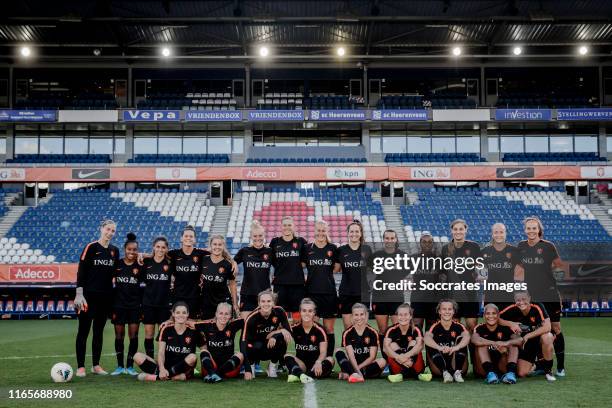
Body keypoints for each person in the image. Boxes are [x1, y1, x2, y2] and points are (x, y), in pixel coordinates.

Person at [516, 216, 566, 376]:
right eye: (528, 228)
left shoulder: (548, 246)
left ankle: (561, 367)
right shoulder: (521, 247)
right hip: (532, 296)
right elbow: (519, 269)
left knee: (555, 328)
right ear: (525, 230)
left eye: (534, 228)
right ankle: (541, 364)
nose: (531, 231)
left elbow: (559, 267)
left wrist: (557, 287)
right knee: (537, 329)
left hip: (549, 294)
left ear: (539, 230)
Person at [74, 219, 120, 377]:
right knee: (83, 332)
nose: (110, 233)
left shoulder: (115, 251)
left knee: (98, 332)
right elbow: (81, 271)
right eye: (108, 229)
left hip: (105, 298)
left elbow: (115, 273)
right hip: (88, 297)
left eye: (113, 231)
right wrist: (79, 294)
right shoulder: (91, 247)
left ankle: (96, 365)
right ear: (101, 229)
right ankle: (80, 367)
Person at [135, 302, 204, 381]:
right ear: (173, 314)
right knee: (137, 356)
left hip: (183, 368)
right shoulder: (166, 329)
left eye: (184, 313)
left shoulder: (194, 331)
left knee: (193, 357)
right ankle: (166, 375)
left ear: (188, 314)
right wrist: (162, 369)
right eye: (178, 313)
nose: (181, 315)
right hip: (166, 365)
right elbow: (161, 352)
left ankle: (156, 377)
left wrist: (206, 372)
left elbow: (204, 350)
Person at [301, 219, 341, 357]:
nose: (321, 233)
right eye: (318, 230)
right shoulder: (307, 248)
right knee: (314, 327)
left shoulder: (333, 248)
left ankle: (328, 358)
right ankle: (313, 356)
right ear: (314, 231)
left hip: (329, 293)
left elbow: (336, 268)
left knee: (329, 329)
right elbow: (301, 266)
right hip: (311, 294)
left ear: (327, 231)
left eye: (323, 230)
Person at [499, 291, 556, 382]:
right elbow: (496, 318)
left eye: (524, 299)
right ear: (514, 300)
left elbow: (548, 327)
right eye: (518, 300)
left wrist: (528, 336)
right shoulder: (512, 307)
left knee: (547, 337)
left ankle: (548, 371)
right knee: (522, 373)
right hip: (524, 343)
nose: (521, 302)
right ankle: (538, 364)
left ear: (529, 298)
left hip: (536, 339)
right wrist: (511, 323)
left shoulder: (537, 306)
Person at [439, 219, 482, 333]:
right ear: (451, 231)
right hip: (452, 295)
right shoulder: (446, 249)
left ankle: (473, 351)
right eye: (455, 229)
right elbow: (443, 273)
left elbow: (481, 269)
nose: (458, 232)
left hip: (470, 294)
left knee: (472, 328)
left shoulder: (474, 247)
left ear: (466, 230)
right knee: (455, 329)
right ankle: (458, 351)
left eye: (461, 229)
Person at [370, 229, 406, 361]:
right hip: (379, 297)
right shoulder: (376, 255)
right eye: (387, 238)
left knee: (398, 330)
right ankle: (386, 360)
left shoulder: (403, 256)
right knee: (383, 331)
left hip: (396, 296)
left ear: (396, 239)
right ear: (383, 239)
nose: (389, 240)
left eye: (392, 238)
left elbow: (404, 274)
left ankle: (400, 359)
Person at [241, 289, 292, 380]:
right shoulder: (251, 318)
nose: (266, 304)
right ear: (259, 303)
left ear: (273, 302)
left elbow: (289, 331)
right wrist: (247, 368)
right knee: (254, 345)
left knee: (283, 339)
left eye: (269, 301)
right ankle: (252, 366)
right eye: (263, 301)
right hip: (255, 349)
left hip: (270, 345)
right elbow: (243, 342)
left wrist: (275, 334)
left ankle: (272, 366)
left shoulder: (279, 311)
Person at [110, 232, 142, 376]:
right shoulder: (117, 264)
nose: (132, 252)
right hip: (118, 305)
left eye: (135, 250)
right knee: (119, 336)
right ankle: (119, 366)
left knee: (133, 336)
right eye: (129, 249)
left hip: (135, 306)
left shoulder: (140, 265)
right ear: (125, 250)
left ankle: (130, 366)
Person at [284, 298, 334, 384]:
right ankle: (302, 374)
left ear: (314, 313)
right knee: (287, 356)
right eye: (304, 310)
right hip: (301, 364)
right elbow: (282, 332)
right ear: (300, 312)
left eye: (310, 311)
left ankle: (300, 374)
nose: (307, 313)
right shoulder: (295, 328)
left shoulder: (320, 329)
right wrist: (281, 331)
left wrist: (318, 362)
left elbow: (323, 352)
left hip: (316, 364)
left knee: (330, 359)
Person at [334, 303, 386, 383]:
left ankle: (350, 374)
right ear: (352, 316)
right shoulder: (347, 333)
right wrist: (357, 371)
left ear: (366, 315)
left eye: (362, 314)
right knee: (338, 351)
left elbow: (372, 357)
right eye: (356, 315)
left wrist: (357, 370)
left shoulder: (373, 332)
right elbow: (351, 356)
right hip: (352, 364)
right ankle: (354, 374)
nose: (359, 317)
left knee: (383, 361)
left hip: (366, 366)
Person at [472, 303, 522, 384]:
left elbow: (520, 340)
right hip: (483, 368)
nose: (491, 316)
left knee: (513, 345)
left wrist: (505, 343)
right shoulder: (479, 328)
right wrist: (494, 343)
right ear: (484, 316)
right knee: (481, 344)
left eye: (494, 313)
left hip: (502, 364)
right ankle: (490, 374)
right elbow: (475, 340)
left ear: (498, 315)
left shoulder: (505, 328)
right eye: (488, 313)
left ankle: (510, 373)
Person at [270, 216, 308, 320]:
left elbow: (305, 262)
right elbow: (272, 260)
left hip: (297, 284)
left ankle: (297, 336)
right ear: (281, 227)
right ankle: (282, 335)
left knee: (297, 314)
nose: (287, 227)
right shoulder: (275, 242)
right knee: (281, 314)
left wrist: (294, 265)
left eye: (289, 225)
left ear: (294, 227)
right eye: (285, 225)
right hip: (280, 284)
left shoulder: (301, 241)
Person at [195, 302, 244, 383]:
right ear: (216, 314)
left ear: (230, 316)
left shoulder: (233, 325)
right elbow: (189, 324)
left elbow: (249, 319)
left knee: (240, 355)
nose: (223, 316)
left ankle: (215, 374)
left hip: (228, 369)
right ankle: (213, 373)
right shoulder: (208, 325)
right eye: (221, 313)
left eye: (226, 314)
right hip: (211, 366)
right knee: (204, 351)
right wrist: (170, 321)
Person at [337, 220, 373, 329]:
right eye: (351, 231)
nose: (354, 234)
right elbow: (336, 269)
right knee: (348, 327)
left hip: (363, 293)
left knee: (362, 326)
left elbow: (372, 270)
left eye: (357, 231)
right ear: (348, 233)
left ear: (361, 233)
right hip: (346, 293)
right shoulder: (341, 250)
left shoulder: (367, 249)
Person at [234, 221, 274, 319]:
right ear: (251, 236)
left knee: (264, 325)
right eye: (255, 236)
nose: (258, 238)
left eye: (260, 235)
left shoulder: (270, 251)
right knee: (246, 324)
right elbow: (232, 262)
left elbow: (281, 266)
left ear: (264, 236)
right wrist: (234, 264)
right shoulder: (244, 251)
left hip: (265, 294)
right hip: (247, 293)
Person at [424, 299, 470, 383]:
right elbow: (426, 338)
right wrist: (440, 347)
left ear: (453, 311)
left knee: (461, 339)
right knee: (430, 342)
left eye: (450, 309)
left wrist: (456, 347)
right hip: (439, 365)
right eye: (444, 309)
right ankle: (445, 373)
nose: (447, 312)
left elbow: (467, 336)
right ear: (439, 311)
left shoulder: (459, 326)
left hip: (455, 362)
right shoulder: (434, 327)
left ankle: (457, 373)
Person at [141, 236, 172, 359]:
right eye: (158, 246)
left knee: (163, 336)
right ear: (154, 247)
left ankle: (162, 361)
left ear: (166, 249)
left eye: (163, 247)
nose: (160, 249)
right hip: (148, 304)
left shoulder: (170, 264)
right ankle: (150, 361)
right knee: (149, 335)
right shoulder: (146, 263)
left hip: (164, 305)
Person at [481, 223, 521, 311]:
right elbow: (475, 269)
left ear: (505, 233)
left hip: (509, 295)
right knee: (491, 322)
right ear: (492, 234)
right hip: (490, 295)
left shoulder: (514, 251)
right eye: (496, 232)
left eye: (501, 232)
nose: (499, 235)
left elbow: (525, 269)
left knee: (509, 322)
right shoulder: (485, 251)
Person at [384, 303, 428, 383]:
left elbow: (420, 346)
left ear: (410, 316)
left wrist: (405, 356)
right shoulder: (391, 330)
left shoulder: (416, 328)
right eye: (400, 315)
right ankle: (402, 374)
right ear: (397, 316)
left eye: (406, 314)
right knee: (392, 345)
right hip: (398, 368)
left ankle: (415, 373)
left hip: (413, 364)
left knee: (413, 342)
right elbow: (385, 348)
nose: (403, 317)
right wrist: (398, 357)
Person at [199, 235, 239, 319]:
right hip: (207, 301)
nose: (217, 247)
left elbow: (232, 284)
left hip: (223, 301)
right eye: (215, 244)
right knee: (208, 329)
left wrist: (235, 304)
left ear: (223, 246)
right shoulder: (203, 260)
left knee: (224, 329)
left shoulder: (228, 264)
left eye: (220, 244)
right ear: (211, 245)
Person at [410, 232, 443, 331]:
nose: (427, 244)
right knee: (416, 327)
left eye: (430, 242)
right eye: (424, 242)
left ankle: (430, 347)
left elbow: (446, 276)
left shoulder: (439, 259)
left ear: (433, 243)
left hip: (434, 299)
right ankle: (416, 347)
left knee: (431, 328)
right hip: (417, 298)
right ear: (420, 243)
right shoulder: (413, 258)